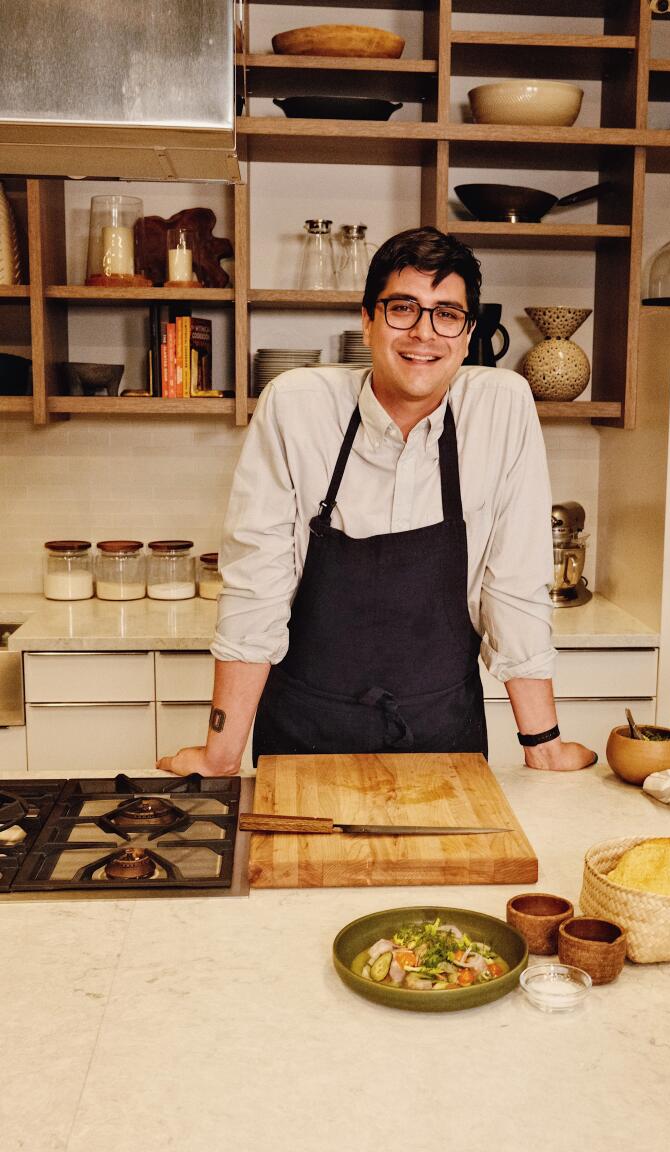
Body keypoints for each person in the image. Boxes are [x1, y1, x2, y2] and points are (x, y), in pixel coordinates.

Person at [158, 226, 596, 776]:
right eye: (402, 308)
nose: (423, 333)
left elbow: (513, 587)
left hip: (445, 736)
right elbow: (256, 589)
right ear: (367, 319)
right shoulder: (295, 408)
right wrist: (220, 754)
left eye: (446, 314)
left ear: (467, 334)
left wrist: (543, 743)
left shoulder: (501, 409)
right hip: (304, 736)